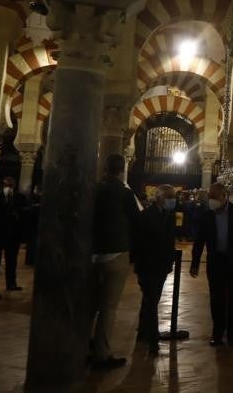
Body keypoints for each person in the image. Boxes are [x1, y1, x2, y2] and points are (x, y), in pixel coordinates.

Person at [88, 154, 140, 370]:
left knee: (90, 304)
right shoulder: (124, 193)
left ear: (104, 168)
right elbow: (137, 221)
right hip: (116, 252)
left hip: (92, 253)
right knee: (109, 307)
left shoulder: (94, 189)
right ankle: (101, 354)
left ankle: (79, 347)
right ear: (121, 170)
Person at [190, 183, 233, 346]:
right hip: (215, 262)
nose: (211, 200)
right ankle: (217, 333)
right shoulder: (207, 216)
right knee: (216, 299)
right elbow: (199, 241)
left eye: (214, 197)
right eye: (210, 197)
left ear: (223, 196)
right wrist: (195, 263)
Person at [133, 184, 177, 355]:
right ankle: (153, 340)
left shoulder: (169, 215)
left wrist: (169, 262)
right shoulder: (146, 215)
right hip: (148, 265)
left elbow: (169, 240)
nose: (173, 201)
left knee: (151, 300)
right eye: (170, 197)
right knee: (151, 301)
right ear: (159, 198)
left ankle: (143, 332)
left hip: (161, 265)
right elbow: (141, 241)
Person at [1, 176, 30, 291]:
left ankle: (11, 283)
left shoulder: (20, 197)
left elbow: (25, 211)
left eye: (10, 185)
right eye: (6, 185)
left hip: (14, 234)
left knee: (12, 260)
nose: (8, 187)